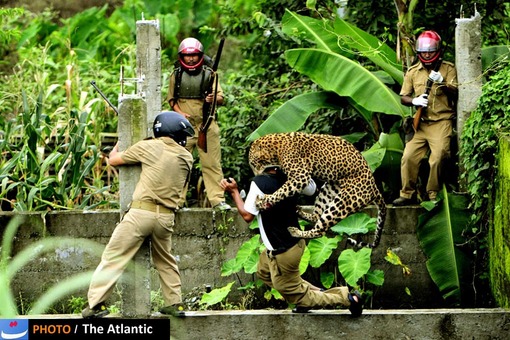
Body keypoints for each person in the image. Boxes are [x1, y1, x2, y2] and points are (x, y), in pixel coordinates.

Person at [82, 111, 194, 318]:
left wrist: (120, 141)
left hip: (141, 213)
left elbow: (113, 160)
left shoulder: (148, 146)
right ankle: (175, 303)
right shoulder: (187, 156)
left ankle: (96, 305)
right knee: (166, 260)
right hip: (166, 218)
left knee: (113, 257)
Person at [220, 167, 363, 316]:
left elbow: (247, 215)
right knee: (264, 271)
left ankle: (349, 299)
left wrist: (234, 191)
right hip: (294, 243)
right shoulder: (293, 177)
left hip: (283, 252)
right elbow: (311, 189)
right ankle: (315, 292)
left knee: (294, 292)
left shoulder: (260, 183)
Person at [393, 30, 458, 206]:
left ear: (437, 51)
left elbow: (457, 91)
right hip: (421, 123)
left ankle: (432, 193)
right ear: (419, 53)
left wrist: (443, 82)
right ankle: (407, 194)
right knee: (408, 157)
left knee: (438, 157)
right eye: (423, 52)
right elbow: (403, 97)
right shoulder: (413, 72)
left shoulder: (448, 68)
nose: (427, 55)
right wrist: (414, 100)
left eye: (430, 51)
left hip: (441, 121)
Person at [166, 37, 230, 211]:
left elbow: (222, 98)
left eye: (194, 55)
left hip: (206, 125)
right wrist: (180, 114)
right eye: (188, 56)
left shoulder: (210, 74)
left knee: (212, 164)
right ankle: (176, 202)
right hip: (183, 127)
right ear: (182, 57)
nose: (191, 59)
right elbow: (171, 100)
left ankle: (217, 200)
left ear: (200, 55)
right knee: (180, 164)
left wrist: (213, 98)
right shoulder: (176, 75)